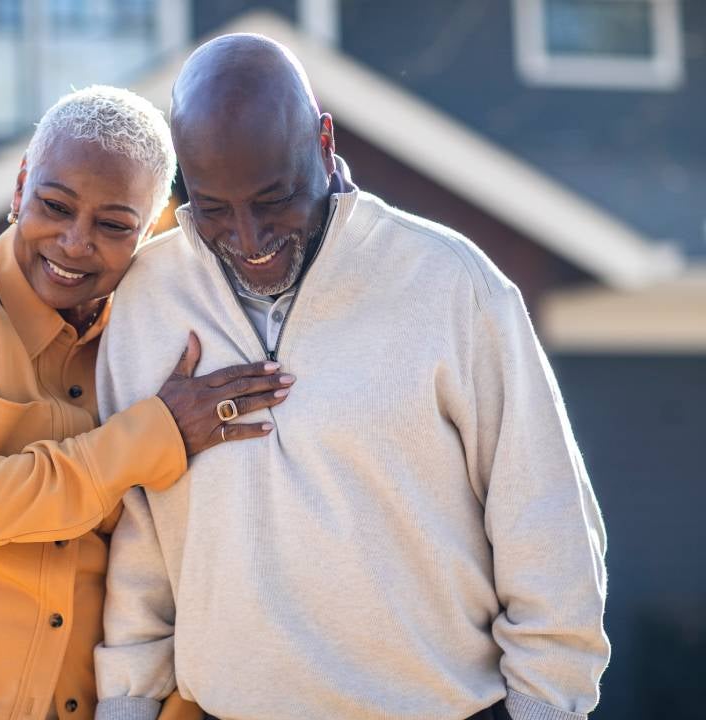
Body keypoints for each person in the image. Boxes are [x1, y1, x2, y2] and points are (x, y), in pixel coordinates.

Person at [93, 36, 609, 720]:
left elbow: (546, 525)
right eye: (214, 207)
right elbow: (139, 543)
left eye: (273, 197)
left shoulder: (451, 283)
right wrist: (127, 705)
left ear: (323, 139)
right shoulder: (145, 302)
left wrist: (546, 708)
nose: (249, 240)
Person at [0, 85, 295, 720]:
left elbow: (174, 551)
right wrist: (151, 436)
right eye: (55, 206)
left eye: (114, 225)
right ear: (19, 190)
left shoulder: (147, 344)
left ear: (151, 232)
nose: (73, 242)